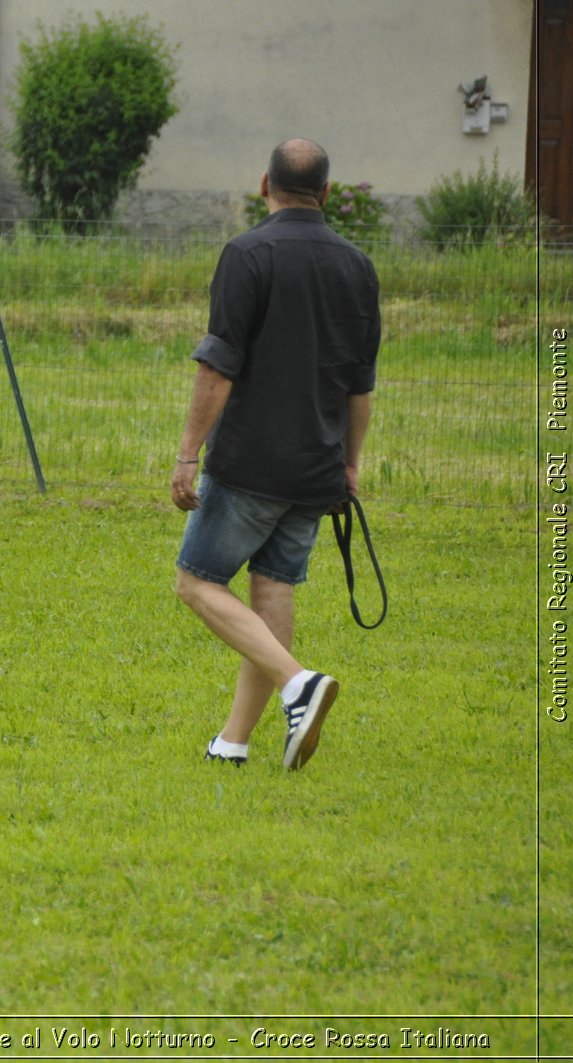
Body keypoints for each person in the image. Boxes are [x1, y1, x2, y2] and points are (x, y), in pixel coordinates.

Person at [170, 138, 380, 770]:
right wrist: (349, 463)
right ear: (326, 192)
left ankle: (299, 684)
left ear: (265, 184)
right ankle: (235, 740)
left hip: (251, 462)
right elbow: (360, 382)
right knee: (273, 588)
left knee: (196, 582)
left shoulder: (247, 253)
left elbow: (218, 367)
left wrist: (187, 455)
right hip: (317, 464)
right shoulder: (357, 265)